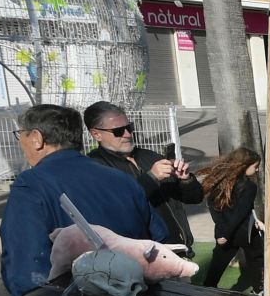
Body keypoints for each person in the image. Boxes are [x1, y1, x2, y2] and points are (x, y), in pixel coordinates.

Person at [0, 103, 167, 296]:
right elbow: (159, 238)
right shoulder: (121, 179)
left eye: (21, 134)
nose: (20, 142)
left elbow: (26, 267)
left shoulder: (31, 185)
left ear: (37, 138)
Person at [82, 100, 202, 252]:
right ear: (96, 134)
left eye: (129, 128)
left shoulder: (150, 156)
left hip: (176, 249)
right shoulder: (93, 166)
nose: (127, 134)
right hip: (136, 256)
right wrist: (151, 178)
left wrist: (186, 180)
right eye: (118, 131)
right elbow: (117, 206)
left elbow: (194, 198)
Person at [195, 148, 263, 291]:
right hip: (245, 232)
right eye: (255, 167)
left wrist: (221, 232)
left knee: (218, 263)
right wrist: (226, 233)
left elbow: (214, 208)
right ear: (245, 166)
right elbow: (240, 213)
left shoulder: (219, 182)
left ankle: (208, 288)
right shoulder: (249, 186)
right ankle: (260, 289)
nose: (257, 170)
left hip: (224, 231)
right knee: (256, 259)